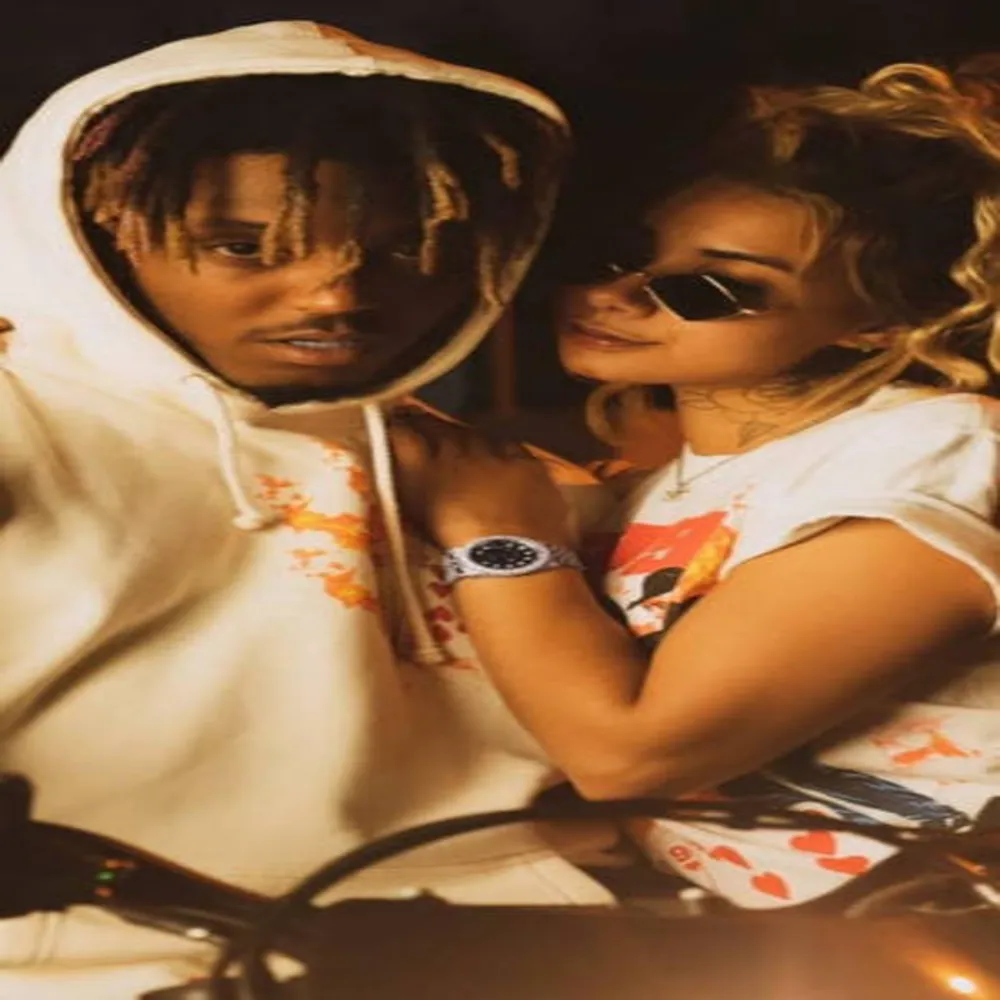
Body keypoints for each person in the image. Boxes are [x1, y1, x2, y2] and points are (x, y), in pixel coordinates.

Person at [0, 20, 618, 999]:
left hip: (518, 948)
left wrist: (507, 537)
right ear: (92, 236)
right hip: (96, 967)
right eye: (244, 247)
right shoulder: (21, 417)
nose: (335, 294)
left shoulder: (484, 472)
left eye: (408, 247)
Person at [391, 56, 1000, 911]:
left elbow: (628, 756)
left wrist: (499, 535)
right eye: (615, 255)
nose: (618, 294)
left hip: (928, 929)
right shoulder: (662, 489)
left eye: (711, 288)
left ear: (879, 323)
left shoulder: (937, 452)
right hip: (754, 935)